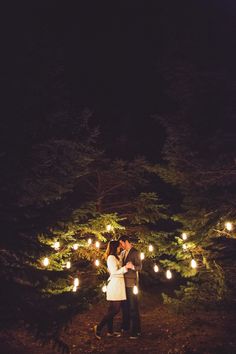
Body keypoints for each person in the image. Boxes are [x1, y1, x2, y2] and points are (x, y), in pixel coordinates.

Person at [94, 240, 133, 340]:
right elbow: (114, 272)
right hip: (114, 285)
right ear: (115, 247)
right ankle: (99, 327)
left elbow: (122, 257)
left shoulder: (116, 257)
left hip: (118, 285)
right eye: (119, 247)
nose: (120, 248)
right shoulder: (111, 258)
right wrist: (126, 268)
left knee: (111, 309)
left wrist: (127, 248)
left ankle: (110, 331)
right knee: (115, 309)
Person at [118, 235, 142, 339]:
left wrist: (132, 266)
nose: (121, 245)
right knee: (125, 307)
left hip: (132, 284)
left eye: (121, 243)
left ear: (126, 241)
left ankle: (136, 331)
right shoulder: (123, 253)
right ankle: (126, 326)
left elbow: (139, 267)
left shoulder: (135, 252)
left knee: (133, 307)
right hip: (123, 284)